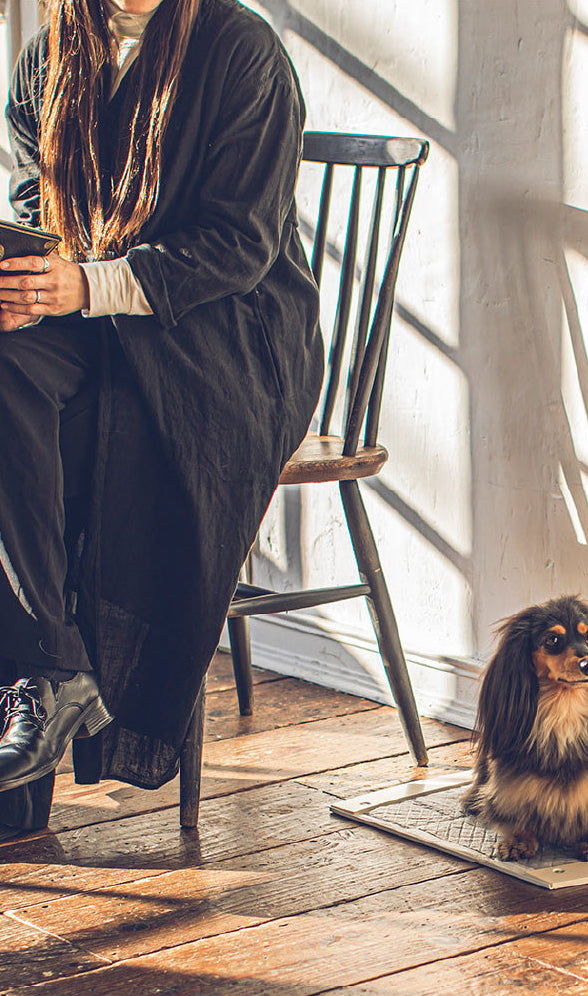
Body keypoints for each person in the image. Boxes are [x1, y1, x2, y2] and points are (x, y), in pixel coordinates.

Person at [0, 0, 324, 839]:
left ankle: (39, 697)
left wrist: (86, 285)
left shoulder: (239, 48)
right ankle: (49, 674)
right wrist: (29, 284)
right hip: (98, 323)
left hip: (226, 336)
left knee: (43, 449)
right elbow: (36, 200)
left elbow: (239, 244)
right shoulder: (49, 58)